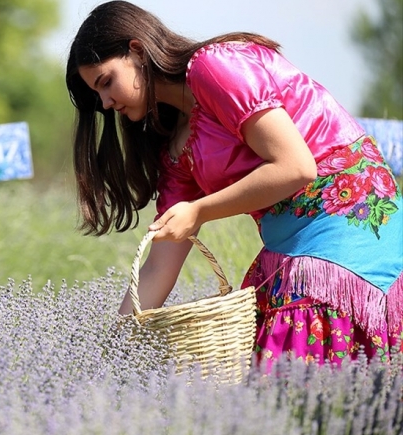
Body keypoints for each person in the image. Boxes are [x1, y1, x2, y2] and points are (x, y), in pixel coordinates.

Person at [65, 1, 401, 368]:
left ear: (137, 51)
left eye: (107, 82)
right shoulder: (176, 150)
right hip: (290, 246)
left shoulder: (215, 67)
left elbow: (295, 167)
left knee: (302, 375)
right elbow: (159, 266)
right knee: (281, 383)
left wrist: (199, 210)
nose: (106, 102)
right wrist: (112, 350)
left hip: (350, 228)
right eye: (98, 95)